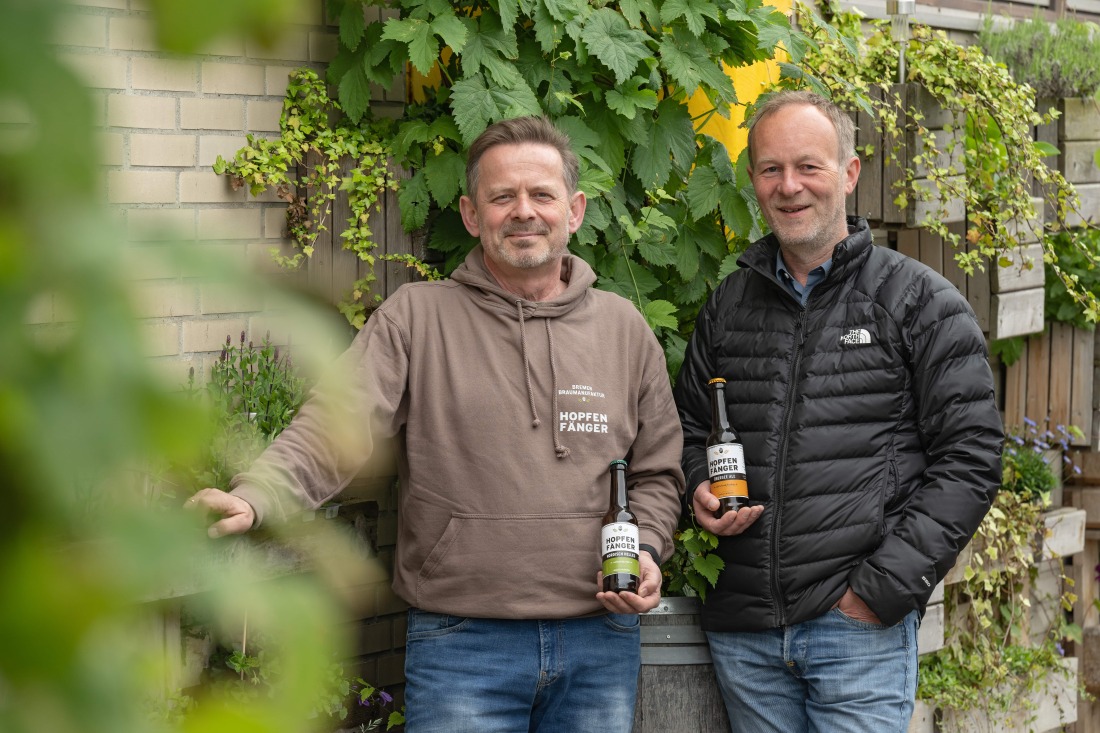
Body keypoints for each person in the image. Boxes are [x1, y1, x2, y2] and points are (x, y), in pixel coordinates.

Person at [188, 115, 685, 733]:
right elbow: (336, 422)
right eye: (503, 197)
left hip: (601, 642)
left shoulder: (624, 329)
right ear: (472, 214)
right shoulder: (417, 319)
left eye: (542, 195)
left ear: (575, 210)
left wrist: (648, 549)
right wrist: (257, 495)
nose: (524, 212)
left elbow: (659, 471)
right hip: (463, 647)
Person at [673, 90, 1003, 732]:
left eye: (809, 166)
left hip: (856, 633)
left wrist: (879, 592)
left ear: (849, 174)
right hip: (745, 634)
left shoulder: (917, 302)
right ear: (753, 182)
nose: (789, 186)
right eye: (771, 169)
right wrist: (696, 488)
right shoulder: (729, 306)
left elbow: (972, 459)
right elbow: (688, 427)